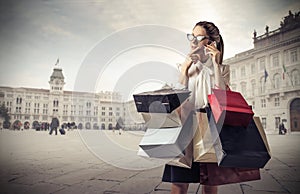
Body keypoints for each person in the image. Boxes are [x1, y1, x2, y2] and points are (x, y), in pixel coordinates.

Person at [161, 21, 230, 194]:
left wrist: (215, 64)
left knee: (209, 184)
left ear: (211, 42)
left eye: (198, 37)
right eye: (191, 36)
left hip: (210, 128)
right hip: (184, 127)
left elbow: (221, 98)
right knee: (179, 184)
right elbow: (177, 99)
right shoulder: (182, 67)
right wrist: (185, 69)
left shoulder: (222, 69)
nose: (192, 41)